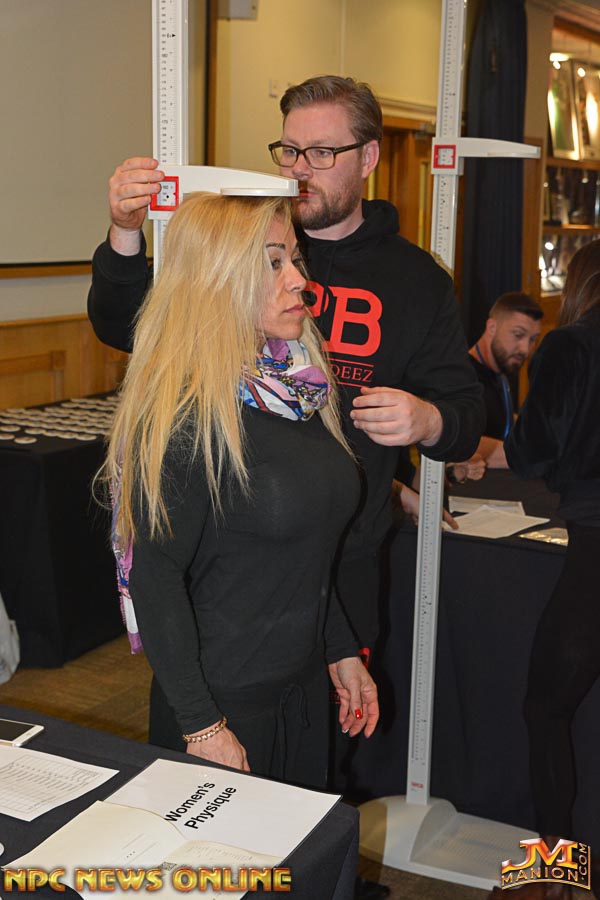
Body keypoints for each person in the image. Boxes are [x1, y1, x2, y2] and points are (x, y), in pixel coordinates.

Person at [88, 75, 483, 661]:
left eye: (322, 152)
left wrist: (427, 420)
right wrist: (125, 232)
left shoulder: (417, 281)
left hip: (345, 554)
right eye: (290, 150)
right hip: (235, 553)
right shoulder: (246, 243)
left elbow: (465, 417)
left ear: (368, 157)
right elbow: (131, 328)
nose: (299, 169)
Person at [103, 190, 378, 787]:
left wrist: (338, 649)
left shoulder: (295, 388)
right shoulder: (186, 415)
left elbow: (308, 550)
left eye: (295, 259)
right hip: (223, 709)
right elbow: (155, 576)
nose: (299, 280)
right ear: (216, 280)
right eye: (272, 262)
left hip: (302, 687)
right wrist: (202, 724)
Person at [501, 241, 600, 900]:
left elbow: (532, 450)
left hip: (594, 547)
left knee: (545, 709)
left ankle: (556, 874)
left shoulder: (570, 347)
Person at [465, 291, 542, 469]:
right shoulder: (463, 376)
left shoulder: (500, 373)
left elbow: (501, 420)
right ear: (492, 327)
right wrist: (535, 455)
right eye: (518, 335)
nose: (525, 349)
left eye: (533, 340)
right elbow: (459, 441)